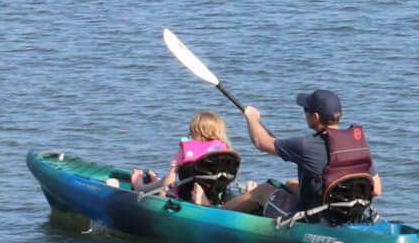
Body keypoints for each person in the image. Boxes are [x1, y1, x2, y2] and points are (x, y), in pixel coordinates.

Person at [225, 87, 381, 222]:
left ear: (316, 117)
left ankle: (215, 214)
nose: (304, 113)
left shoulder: (307, 145)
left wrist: (252, 118)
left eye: (306, 110)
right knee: (291, 183)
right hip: (347, 214)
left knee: (262, 191)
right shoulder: (358, 144)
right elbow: (376, 189)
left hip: (314, 219)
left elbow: (261, 142)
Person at [130, 110, 245, 206]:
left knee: (165, 183)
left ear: (193, 129)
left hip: (186, 196)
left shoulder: (185, 149)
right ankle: (154, 179)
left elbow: (169, 181)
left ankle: (140, 186)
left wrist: (156, 195)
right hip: (215, 197)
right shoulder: (224, 151)